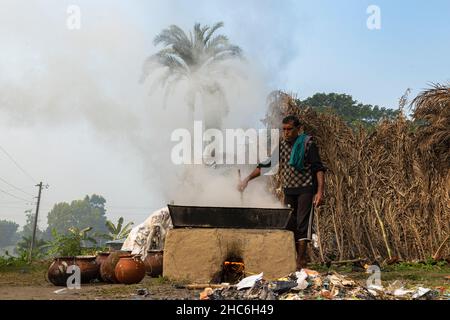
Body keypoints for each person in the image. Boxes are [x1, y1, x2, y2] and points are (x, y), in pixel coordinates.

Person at [238, 115, 326, 269]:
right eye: (284, 129)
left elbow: (318, 169)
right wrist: (247, 179)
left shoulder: (308, 144)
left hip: (306, 189)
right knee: (290, 224)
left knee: (302, 225)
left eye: (289, 129)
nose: (286, 133)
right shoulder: (282, 145)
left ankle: (300, 261)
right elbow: (267, 165)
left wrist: (320, 192)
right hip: (290, 190)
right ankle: (292, 259)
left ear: (298, 129)